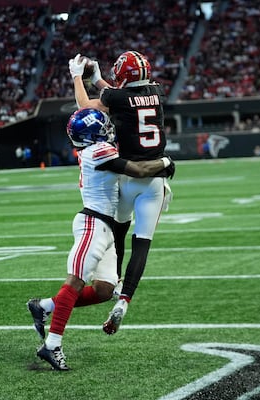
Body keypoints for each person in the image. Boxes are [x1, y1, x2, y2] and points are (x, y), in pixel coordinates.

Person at [27, 108, 174, 371]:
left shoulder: (94, 149)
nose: (108, 128)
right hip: (92, 224)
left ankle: (44, 306)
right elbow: (139, 170)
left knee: (104, 289)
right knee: (74, 281)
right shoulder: (98, 151)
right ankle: (52, 345)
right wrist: (165, 163)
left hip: (106, 227)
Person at [68, 51, 174, 335]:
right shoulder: (157, 92)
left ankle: (113, 281)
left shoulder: (118, 98)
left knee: (119, 231)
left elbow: (85, 107)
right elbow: (123, 96)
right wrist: (100, 80)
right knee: (144, 244)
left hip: (127, 176)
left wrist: (77, 76)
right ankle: (124, 300)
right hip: (155, 180)